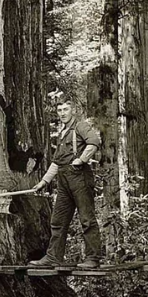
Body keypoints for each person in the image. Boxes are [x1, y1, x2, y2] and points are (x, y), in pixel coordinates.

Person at [29, 99, 103, 269]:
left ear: (73, 111)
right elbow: (56, 162)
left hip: (79, 177)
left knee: (86, 219)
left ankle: (92, 258)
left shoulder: (80, 126)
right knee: (58, 220)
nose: (62, 113)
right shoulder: (62, 133)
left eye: (66, 109)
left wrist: (81, 160)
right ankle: (53, 257)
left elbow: (94, 142)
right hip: (63, 181)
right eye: (60, 110)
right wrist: (44, 181)